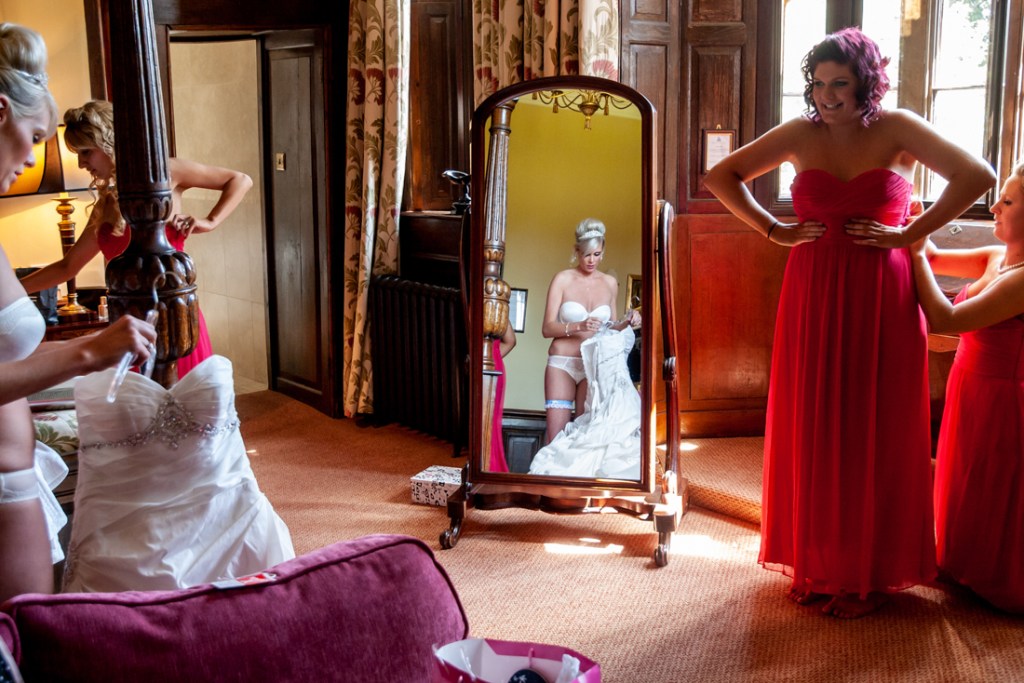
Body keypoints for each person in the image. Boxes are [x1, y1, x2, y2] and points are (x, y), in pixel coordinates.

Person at [704, 27, 995, 618]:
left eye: (841, 83)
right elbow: (720, 177)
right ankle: (820, 561)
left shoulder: (898, 128)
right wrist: (772, 229)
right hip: (811, 289)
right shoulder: (798, 133)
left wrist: (911, 233)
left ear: (867, 82)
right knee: (813, 419)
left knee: (873, 424)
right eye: (818, 84)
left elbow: (977, 177)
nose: (828, 96)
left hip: (881, 293)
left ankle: (868, 572)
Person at [0, 23, 156, 604]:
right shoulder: (100, 207)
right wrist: (88, 351)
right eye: (35, 135)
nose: (34, 157)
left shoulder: (148, 182)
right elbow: (67, 269)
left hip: (16, 474)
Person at [19, 99, 252, 376]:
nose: (81, 163)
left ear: (108, 142)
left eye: (85, 152)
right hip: (127, 324)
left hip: (173, 318)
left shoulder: (166, 172)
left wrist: (209, 221)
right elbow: (68, 267)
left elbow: (240, 180)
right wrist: (11, 292)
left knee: (185, 411)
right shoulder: (105, 205)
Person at [909, 162, 1024, 614]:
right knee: (964, 478)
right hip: (970, 386)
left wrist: (914, 253)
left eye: (1009, 201)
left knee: (998, 485)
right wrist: (913, 217)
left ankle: (1002, 581)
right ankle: (964, 564)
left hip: (1006, 397)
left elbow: (948, 319)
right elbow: (933, 254)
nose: (994, 206)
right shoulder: (1001, 258)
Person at [539, 218, 640, 445]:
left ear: (603, 250)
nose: (592, 260)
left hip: (593, 365)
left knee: (583, 438)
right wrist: (579, 326)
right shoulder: (562, 279)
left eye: (597, 254)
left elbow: (610, 329)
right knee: (556, 439)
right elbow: (546, 328)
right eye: (587, 254)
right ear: (577, 251)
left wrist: (628, 320)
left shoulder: (610, 283)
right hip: (562, 363)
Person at [489, 321, 516, 472]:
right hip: (493, 365)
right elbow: (511, 340)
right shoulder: (498, 301)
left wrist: (487, 360)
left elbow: (510, 341)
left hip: (489, 367)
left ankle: (489, 468)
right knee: (489, 424)